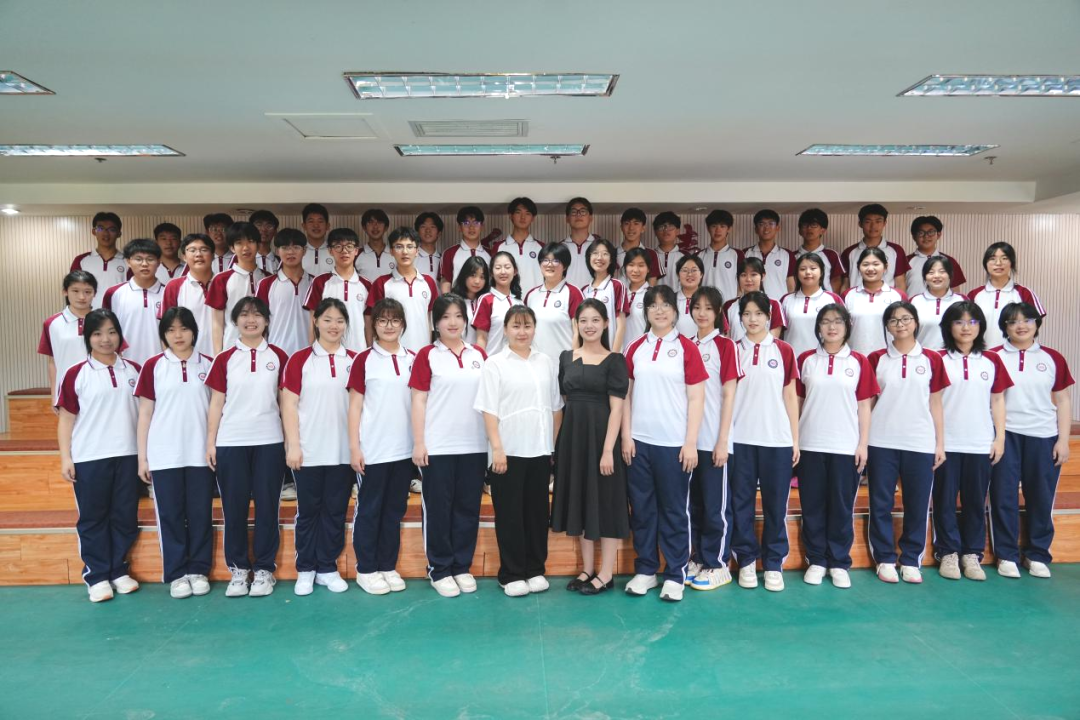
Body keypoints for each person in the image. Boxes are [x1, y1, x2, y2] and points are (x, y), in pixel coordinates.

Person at [622, 285, 707, 602]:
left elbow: (696, 398)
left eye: (665, 305)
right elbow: (626, 396)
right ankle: (646, 570)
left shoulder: (687, 348)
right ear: (645, 312)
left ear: (675, 310)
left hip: (674, 446)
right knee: (643, 510)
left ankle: (674, 574)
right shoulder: (635, 348)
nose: (659, 310)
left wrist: (690, 442)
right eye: (653, 305)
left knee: (674, 511)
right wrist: (626, 436)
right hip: (639, 444)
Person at [475, 305, 564, 596]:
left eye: (527, 326)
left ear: (534, 328)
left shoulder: (546, 362)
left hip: (540, 451)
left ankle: (535, 569)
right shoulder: (495, 364)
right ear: (505, 330)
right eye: (516, 326)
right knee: (510, 515)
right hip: (508, 451)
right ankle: (511, 573)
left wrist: (551, 447)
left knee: (537, 514)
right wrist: (497, 449)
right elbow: (488, 410)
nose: (522, 332)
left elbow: (556, 408)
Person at [55, 308, 142, 602]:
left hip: (128, 455)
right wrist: (66, 457)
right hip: (89, 458)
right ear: (88, 337)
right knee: (93, 518)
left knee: (124, 516)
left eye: (112, 332)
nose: (106, 339)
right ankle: (96, 575)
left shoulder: (134, 370)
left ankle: (118, 570)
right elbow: (66, 419)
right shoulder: (75, 374)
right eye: (98, 333)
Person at [204, 297, 289, 598]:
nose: (250, 320)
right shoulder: (224, 358)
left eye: (257, 315)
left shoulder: (279, 356)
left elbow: (285, 402)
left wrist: (289, 442)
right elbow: (216, 402)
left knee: (267, 507)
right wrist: (211, 442)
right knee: (234, 508)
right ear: (235, 321)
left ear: (266, 320)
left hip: (269, 441)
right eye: (244, 314)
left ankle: (264, 569)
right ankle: (239, 570)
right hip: (231, 442)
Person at [409, 294, 489, 597]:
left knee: (468, 508)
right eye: (445, 317)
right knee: (439, 510)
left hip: (474, 445)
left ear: (466, 321)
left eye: (458, 316)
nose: (452, 322)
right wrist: (419, 442)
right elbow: (418, 400)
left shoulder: (478, 354)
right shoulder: (427, 355)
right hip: (438, 446)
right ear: (435, 323)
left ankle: (461, 566)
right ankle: (439, 569)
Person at [134, 307, 214, 599]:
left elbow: (217, 409)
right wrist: (143, 457)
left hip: (200, 455)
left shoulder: (209, 364)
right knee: (170, 515)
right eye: (170, 330)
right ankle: (177, 573)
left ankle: (199, 570)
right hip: (164, 454)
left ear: (194, 331)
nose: (178, 335)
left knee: (200, 514)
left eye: (183, 328)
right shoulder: (153, 366)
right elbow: (145, 414)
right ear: (163, 335)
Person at [989, 302, 1073, 579]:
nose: (1021, 326)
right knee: (1003, 496)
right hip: (1005, 436)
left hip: (1044, 436)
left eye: (1027, 320)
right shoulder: (993, 357)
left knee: (1041, 497)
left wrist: (1063, 440)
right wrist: (996, 437)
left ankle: (1037, 554)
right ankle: (1006, 555)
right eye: (1013, 321)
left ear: (1037, 324)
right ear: (1005, 327)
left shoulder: (1053, 357)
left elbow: (1063, 400)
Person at [795, 304, 877, 589]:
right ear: (818, 327)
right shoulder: (806, 359)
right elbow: (797, 402)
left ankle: (839, 562)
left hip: (845, 446)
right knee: (812, 505)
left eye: (838, 322)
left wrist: (863, 444)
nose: (832, 327)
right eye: (826, 321)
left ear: (847, 326)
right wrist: (795, 440)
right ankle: (817, 560)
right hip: (810, 444)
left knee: (841, 507)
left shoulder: (859, 361)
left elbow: (864, 406)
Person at [866, 301, 949, 584]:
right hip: (881, 441)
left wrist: (939, 443)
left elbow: (936, 403)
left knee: (917, 503)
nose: (900, 324)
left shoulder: (932, 359)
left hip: (920, 441)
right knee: (880, 503)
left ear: (915, 323)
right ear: (887, 327)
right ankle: (885, 558)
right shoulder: (876, 358)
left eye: (905, 319)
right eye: (893, 320)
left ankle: (911, 559)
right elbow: (868, 403)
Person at [552, 299, 629, 595]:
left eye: (596, 320)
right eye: (583, 320)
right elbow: (564, 402)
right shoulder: (566, 358)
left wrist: (608, 450)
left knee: (606, 504)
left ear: (606, 324)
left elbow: (617, 409)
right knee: (581, 502)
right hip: (573, 440)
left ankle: (606, 573)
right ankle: (587, 569)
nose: (589, 325)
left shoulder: (615, 360)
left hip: (602, 441)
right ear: (576, 324)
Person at [281, 298, 357, 596]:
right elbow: (289, 404)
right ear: (315, 321)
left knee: (335, 511)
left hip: (342, 452)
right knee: (308, 512)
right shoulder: (300, 359)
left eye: (339, 320)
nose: (333, 326)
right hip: (308, 451)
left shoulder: (355, 360)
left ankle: (327, 567)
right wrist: (293, 445)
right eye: (327, 319)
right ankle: (305, 569)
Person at [933, 301, 1010, 581]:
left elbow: (998, 400)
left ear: (981, 326)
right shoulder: (937, 359)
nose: (966, 328)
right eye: (959, 322)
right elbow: (932, 402)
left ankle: (972, 554)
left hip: (980, 443)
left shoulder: (992, 360)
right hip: (947, 444)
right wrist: (937, 442)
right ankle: (948, 552)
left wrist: (999, 437)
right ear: (948, 326)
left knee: (975, 501)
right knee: (944, 500)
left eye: (972, 322)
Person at [729, 291, 800, 592]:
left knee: (775, 505)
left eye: (759, 313)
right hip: (740, 440)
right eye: (747, 314)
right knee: (740, 503)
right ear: (740, 318)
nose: (753, 319)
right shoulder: (732, 349)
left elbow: (790, 396)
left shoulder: (784, 350)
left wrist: (794, 440)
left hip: (777, 440)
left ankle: (773, 563)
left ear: (769, 317)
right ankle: (746, 560)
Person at [348, 298, 416, 595]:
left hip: (404, 450)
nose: (389, 326)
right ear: (374, 325)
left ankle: (387, 566)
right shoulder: (364, 359)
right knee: (369, 510)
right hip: (373, 450)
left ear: (403, 324)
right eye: (383, 320)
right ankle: (366, 569)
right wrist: (354, 448)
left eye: (395, 320)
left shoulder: (414, 358)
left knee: (394, 510)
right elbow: (354, 406)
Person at [686, 287, 742, 591]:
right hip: (689, 442)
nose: (702, 313)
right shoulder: (685, 344)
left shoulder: (725, 345)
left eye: (709, 308)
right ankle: (698, 558)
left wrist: (723, 441)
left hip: (714, 441)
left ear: (718, 312)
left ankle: (718, 564)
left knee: (715, 507)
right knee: (693, 505)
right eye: (698, 307)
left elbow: (729, 394)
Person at [367, 227, 438, 354]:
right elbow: (371, 320)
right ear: (391, 251)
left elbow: (431, 320)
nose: (405, 252)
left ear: (417, 251)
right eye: (399, 247)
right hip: (390, 354)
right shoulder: (381, 283)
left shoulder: (428, 282)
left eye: (410, 247)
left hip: (422, 353)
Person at [304, 228, 372, 353]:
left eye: (349, 246)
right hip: (326, 353)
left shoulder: (366, 284)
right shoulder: (320, 282)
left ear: (356, 250)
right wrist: (312, 352)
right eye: (338, 246)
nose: (344, 251)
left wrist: (369, 352)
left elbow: (368, 324)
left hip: (358, 351)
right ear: (330, 250)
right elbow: (313, 321)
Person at [207, 222, 269, 354]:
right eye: (239, 243)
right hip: (232, 347)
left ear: (258, 245)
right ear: (232, 247)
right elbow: (217, 323)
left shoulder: (268, 279)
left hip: (265, 348)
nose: (245, 248)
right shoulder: (221, 279)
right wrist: (218, 354)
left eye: (250, 241)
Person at [969, 242, 1046, 349]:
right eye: (992, 259)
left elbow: (1034, 324)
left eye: (1004, 258)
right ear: (985, 264)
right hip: (981, 354)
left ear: (1012, 263)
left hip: (1014, 354)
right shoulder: (974, 295)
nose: (998, 263)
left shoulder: (1024, 293)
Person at [101, 238, 165, 366]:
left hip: (161, 365)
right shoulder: (114, 293)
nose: (144, 264)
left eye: (150, 259)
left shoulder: (169, 293)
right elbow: (105, 329)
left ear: (159, 262)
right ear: (128, 262)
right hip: (123, 365)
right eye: (138, 259)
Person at [255, 228, 314, 355]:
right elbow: (259, 322)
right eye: (285, 247)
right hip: (276, 354)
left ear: (304, 251)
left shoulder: (316, 284)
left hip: (309, 355)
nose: (290, 252)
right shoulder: (265, 284)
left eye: (296, 247)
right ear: (277, 251)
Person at [39, 271, 98, 396]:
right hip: (67, 392)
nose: (81, 297)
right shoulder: (52, 323)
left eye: (87, 292)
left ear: (95, 293)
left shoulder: (105, 321)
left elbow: (117, 354)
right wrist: (55, 396)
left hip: (99, 389)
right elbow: (52, 362)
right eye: (75, 291)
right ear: (65, 292)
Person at [525, 243, 584, 361]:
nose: (549, 264)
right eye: (545, 260)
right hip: (535, 363)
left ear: (565, 266)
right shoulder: (531, 295)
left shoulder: (573, 293)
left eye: (556, 261)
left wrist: (574, 364)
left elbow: (579, 333)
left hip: (564, 365)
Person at [843, 247, 907, 355]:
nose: (870, 269)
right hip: (855, 357)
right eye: (865, 264)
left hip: (889, 357)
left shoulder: (898, 296)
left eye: (876, 264)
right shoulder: (847, 295)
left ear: (885, 267)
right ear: (858, 267)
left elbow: (906, 329)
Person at [161, 234, 215, 357]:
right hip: (188, 358)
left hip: (221, 355)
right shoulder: (174, 286)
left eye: (204, 249)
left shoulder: (224, 283)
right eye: (192, 250)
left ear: (212, 255)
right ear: (184, 256)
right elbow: (166, 327)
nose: (198, 254)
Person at [780, 252, 844, 357]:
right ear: (796, 273)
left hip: (823, 359)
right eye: (802, 269)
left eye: (813, 268)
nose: (808, 272)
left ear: (822, 272)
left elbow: (843, 331)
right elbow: (779, 334)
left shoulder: (833, 299)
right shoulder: (786, 300)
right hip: (792, 359)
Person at [840, 204, 909, 293]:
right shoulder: (849, 252)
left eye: (878, 221)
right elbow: (845, 284)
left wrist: (900, 301)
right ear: (860, 224)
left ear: (884, 223)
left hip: (888, 300)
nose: (873, 226)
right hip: (856, 299)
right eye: (868, 222)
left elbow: (900, 283)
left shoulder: (896, 250)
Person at [722, 257, 786, 343]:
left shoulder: (774, 304)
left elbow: (773, 339)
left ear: (763, 276)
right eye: (743, 275)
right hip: (736, 351)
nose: (748, 279)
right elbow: (726, 339)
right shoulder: (729, 305)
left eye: (753, 274)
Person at [71, 212, 128, 308]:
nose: (106, 233)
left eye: (112, 229)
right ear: (94, 231)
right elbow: (73, 290)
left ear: (119, 233)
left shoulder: (129, 261)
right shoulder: (81, 260)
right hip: (88, 314)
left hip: (119, 314)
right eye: (100, 228)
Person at [909, 255, 966, 351]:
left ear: (950, 275)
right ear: (925, 277)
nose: (936, 276)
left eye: (942, 272)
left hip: (954, 356)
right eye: (931, 272)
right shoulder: (914, 301)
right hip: (923, 356)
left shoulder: (962, 301)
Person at [473, 250, 523, 355]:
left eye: (507, 267)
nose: (503, 272)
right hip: (492, 360)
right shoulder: (486, 300)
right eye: (498, 268)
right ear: (491, 273)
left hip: (516, 361)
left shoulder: (519, 302)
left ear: (515, 271)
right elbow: (481, 338)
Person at [581, 238, 626, 350]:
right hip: (587, 353)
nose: (599, 257)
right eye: (595, 253)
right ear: (589, 258)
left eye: (605, 254)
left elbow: (621, 325)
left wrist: (614, 355)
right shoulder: (584, 290)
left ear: (611, 260)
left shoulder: (617, 286)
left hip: (610, 352)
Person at [493, 197, 544, 292]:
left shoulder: (542, 247)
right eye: (518, 212)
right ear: (510, 215)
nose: (523, 217)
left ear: (533, 218)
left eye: (527, 213)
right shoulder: (499, 247)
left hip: (536, 299)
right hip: (507, 299)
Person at [905, 216, 966, 296]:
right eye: (921, 233)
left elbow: (955, 292)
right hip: (912, 304)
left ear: (939, 235)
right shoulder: (905, 261)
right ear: (914, 236)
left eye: (931, 232)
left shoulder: (949, 261)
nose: (926, 236)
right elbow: (900, 289)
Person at [744, 209, 796, 300]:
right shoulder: (745, 253)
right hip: (751, 304)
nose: (766, 228)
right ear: (756, 229)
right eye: (762, 224)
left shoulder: (788, 255)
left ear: (777, 228)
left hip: (779, 305)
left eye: (771, 223)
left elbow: (791, 286)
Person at [440, 206, 491, 294]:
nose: (471, 227)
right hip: (458, 301)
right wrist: (448, 300)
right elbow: (446, 281)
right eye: (466, 223)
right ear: (459, 227)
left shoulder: (490, 253)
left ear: (482, 227)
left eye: (476, 223)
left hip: (485, 301)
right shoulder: (449, 253)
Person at [795, 208, 843, 294]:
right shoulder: (792, 256)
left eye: (814, 225)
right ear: (800, 230)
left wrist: (831, 298)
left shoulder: (831, 255)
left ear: (823, 230)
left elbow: (836, 280)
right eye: (805, 225)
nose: (809, 228)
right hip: (799, 299)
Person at [699, 209, 742, 302]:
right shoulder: (699, 256)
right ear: (708, 228)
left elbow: (742, 283)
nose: (718, 230)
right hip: (705, 306)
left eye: (722, 226)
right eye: (714, 226)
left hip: (729, 307)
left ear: (729, 229)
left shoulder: (738, 254)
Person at [616, 207, 662, 287]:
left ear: (643, 228)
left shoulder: (651, 254)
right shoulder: (612, 253)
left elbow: (651, 287)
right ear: (621, 227)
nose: (631, 228)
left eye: (636, 223)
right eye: (627, 223)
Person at [450, 255, 490, 344]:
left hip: (485, 351)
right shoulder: (453, 302)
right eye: (473, 275)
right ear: (464, 275)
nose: (477, 281)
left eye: (482, 277)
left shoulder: (488, 301)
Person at [620, 247, 652, 352]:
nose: (636, 270)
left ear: (648, 269)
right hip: (620, 353)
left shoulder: (654, 295)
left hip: (644, 353)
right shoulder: (620, 293)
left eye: (641, 265)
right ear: (625, 268)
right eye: (631, 265)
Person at [561, 197, 596, 290]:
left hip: (594, 296)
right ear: (567, 218)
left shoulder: (600, 246)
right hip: (566, 297)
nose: (578, 215)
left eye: (583, 211)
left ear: (590, 218)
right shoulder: (560, 247)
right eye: (574, 212)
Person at [357, 208, 394, 283]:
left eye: (379, 222)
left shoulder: (395, 253)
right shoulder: (356, 254)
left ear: (386, 227)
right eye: (371, 222)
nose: (375, 226)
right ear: (364, 227)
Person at [652, 210, 686, 289]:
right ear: (655, 232)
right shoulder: (650, 255)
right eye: (661, 227)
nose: (666, 230)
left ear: (677, 231)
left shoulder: (685, 257)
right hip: (654, 297)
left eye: (670, 226)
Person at [673, 255, 704, 337]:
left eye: (694, 270)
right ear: (678, 274)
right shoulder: (670, 299)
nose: (690, 274)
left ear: (701, 274)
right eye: (685, 270)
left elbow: (721, 330)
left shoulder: (710, 300)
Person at [300, 203, 332, 277]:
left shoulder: (336, 251)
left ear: (327, 226)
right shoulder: (297, 251)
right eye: (311, 221)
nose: (316, 225)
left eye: (320, 221)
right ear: (304, 226)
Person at [249, 210, 282, 275]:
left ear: (275, 231)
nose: (264, 229)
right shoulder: (243, 260)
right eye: (259, 225)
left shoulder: (281, 262)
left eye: (269, 225)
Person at [414, 211, 444, 281]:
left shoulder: (444, 259)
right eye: (423, 226)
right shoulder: (410, 258)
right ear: (417, 232)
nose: (428, 230)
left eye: (432, 227)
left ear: (439, 233)